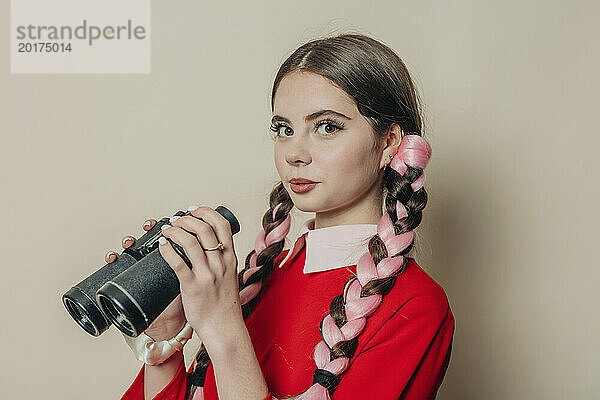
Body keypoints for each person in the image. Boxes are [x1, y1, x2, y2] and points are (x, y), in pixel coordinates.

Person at [105, 33, 455, 400]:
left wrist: (223, 327)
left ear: (389, 142)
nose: (294, 153)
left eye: (327, 126)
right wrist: (165, 341)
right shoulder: (262, 280)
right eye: (284, 130)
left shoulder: (416, 307)